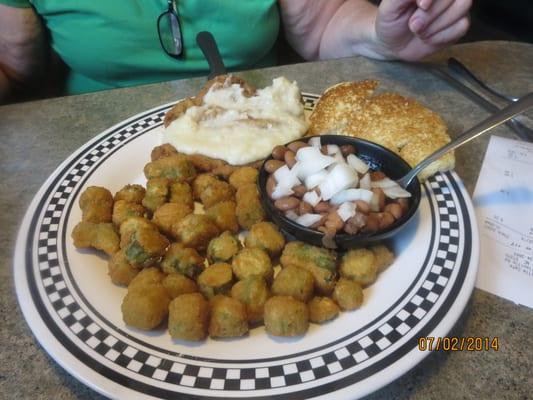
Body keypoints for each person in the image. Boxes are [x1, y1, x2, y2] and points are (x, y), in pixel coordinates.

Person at [0, 0, 471, 102]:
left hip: (260, 128)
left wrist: (381, 34)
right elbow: (11, 67)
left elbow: (323, 24)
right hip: (90, 144)